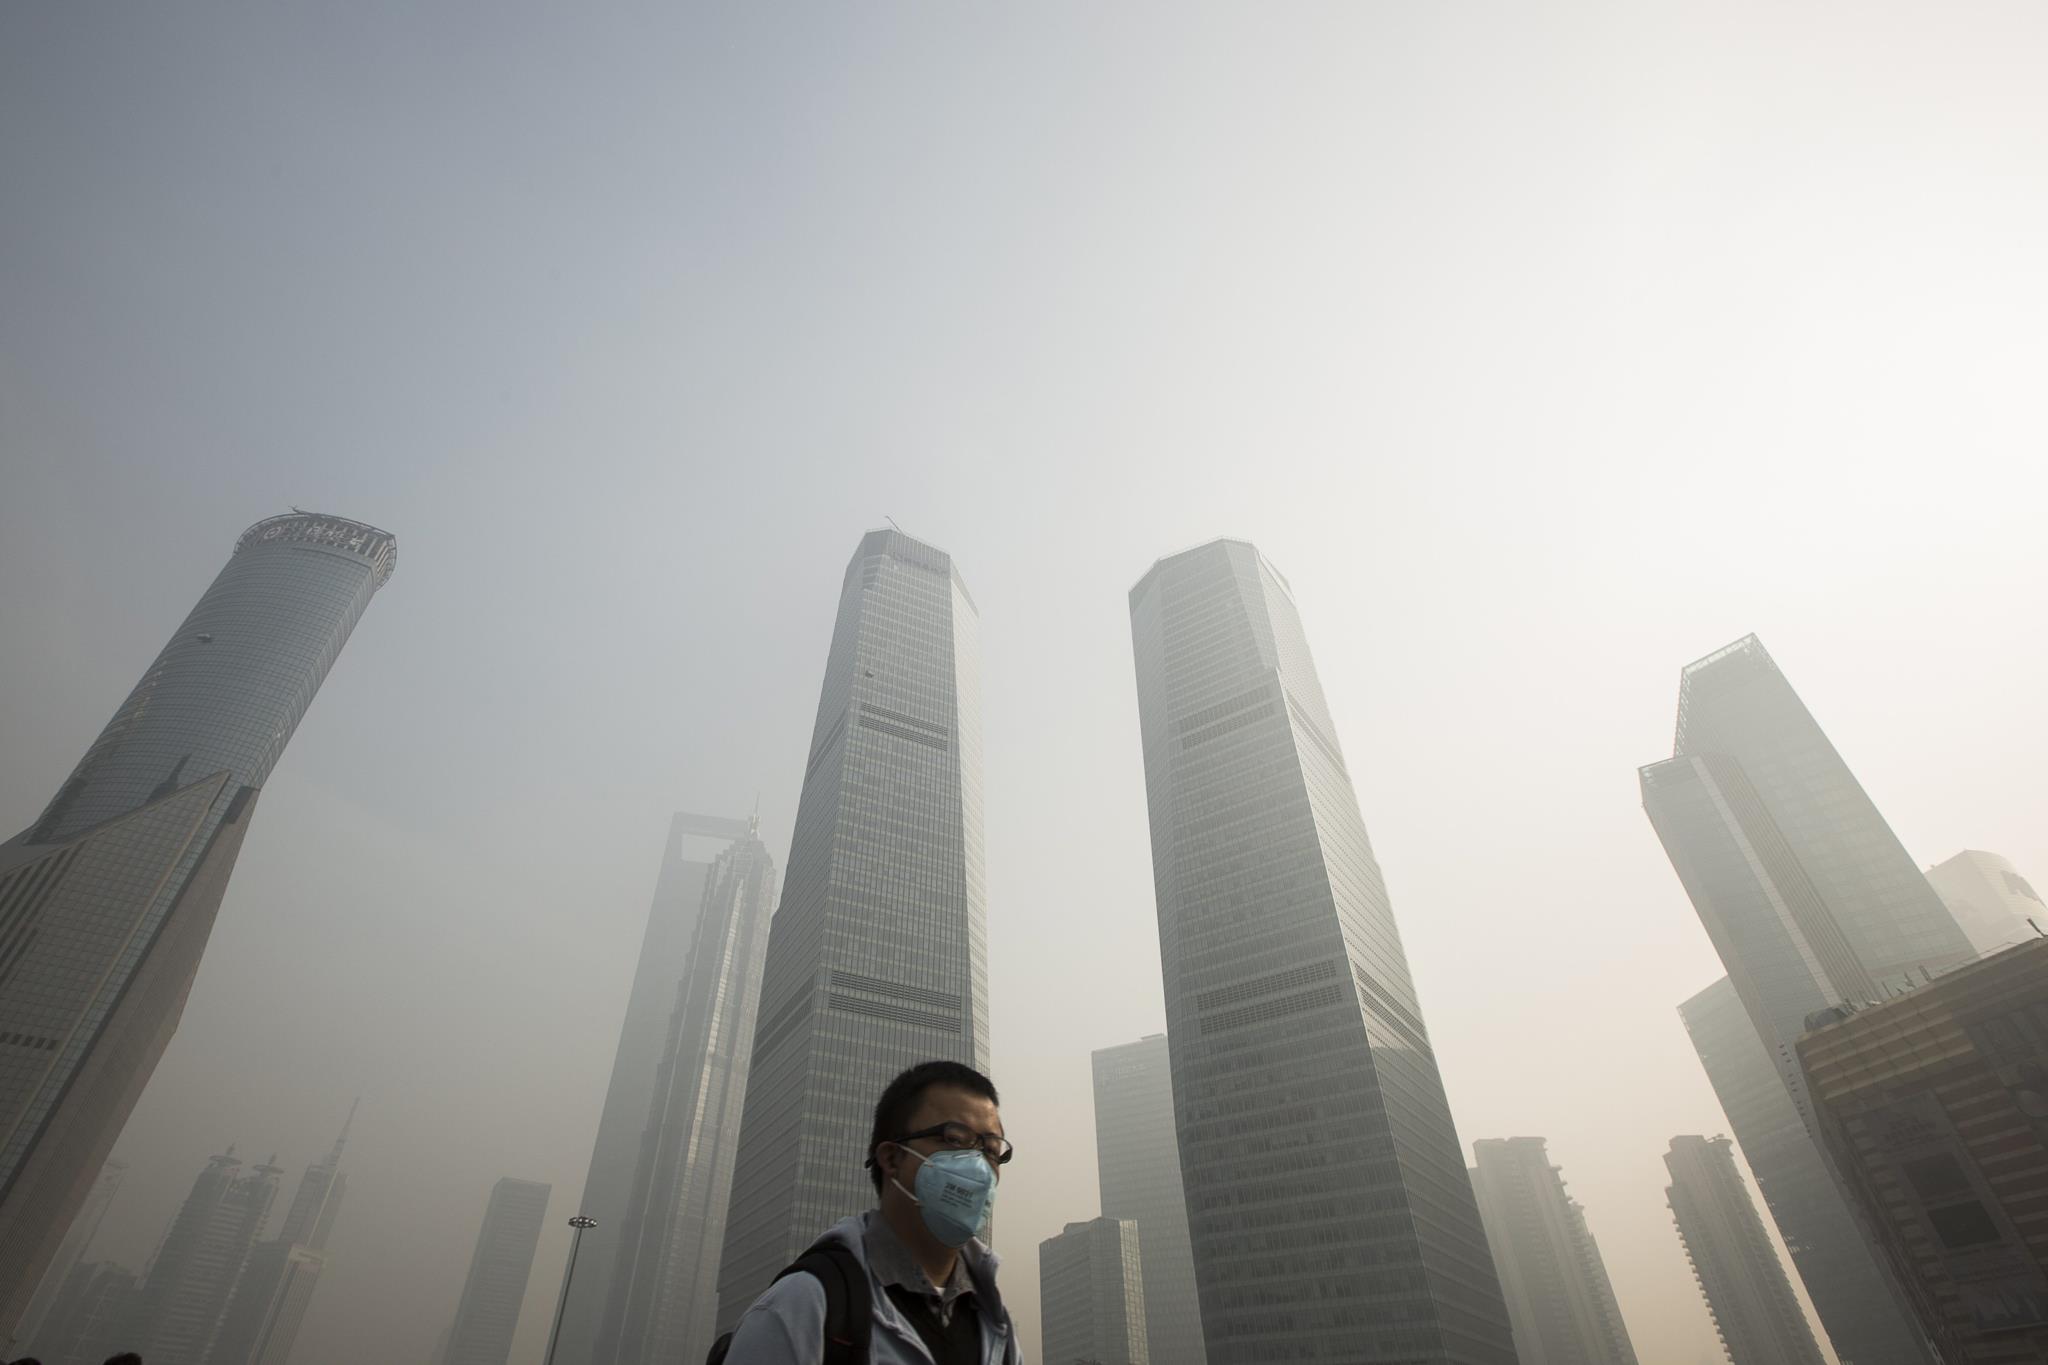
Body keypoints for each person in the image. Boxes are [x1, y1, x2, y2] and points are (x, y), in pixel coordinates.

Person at [718, 1060, 1022, 1365]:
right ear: (891, 1158)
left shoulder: (996, 1327)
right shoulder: (803, 1308)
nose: (979, 1165)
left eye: (991, 1150)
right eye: (954, 1139)